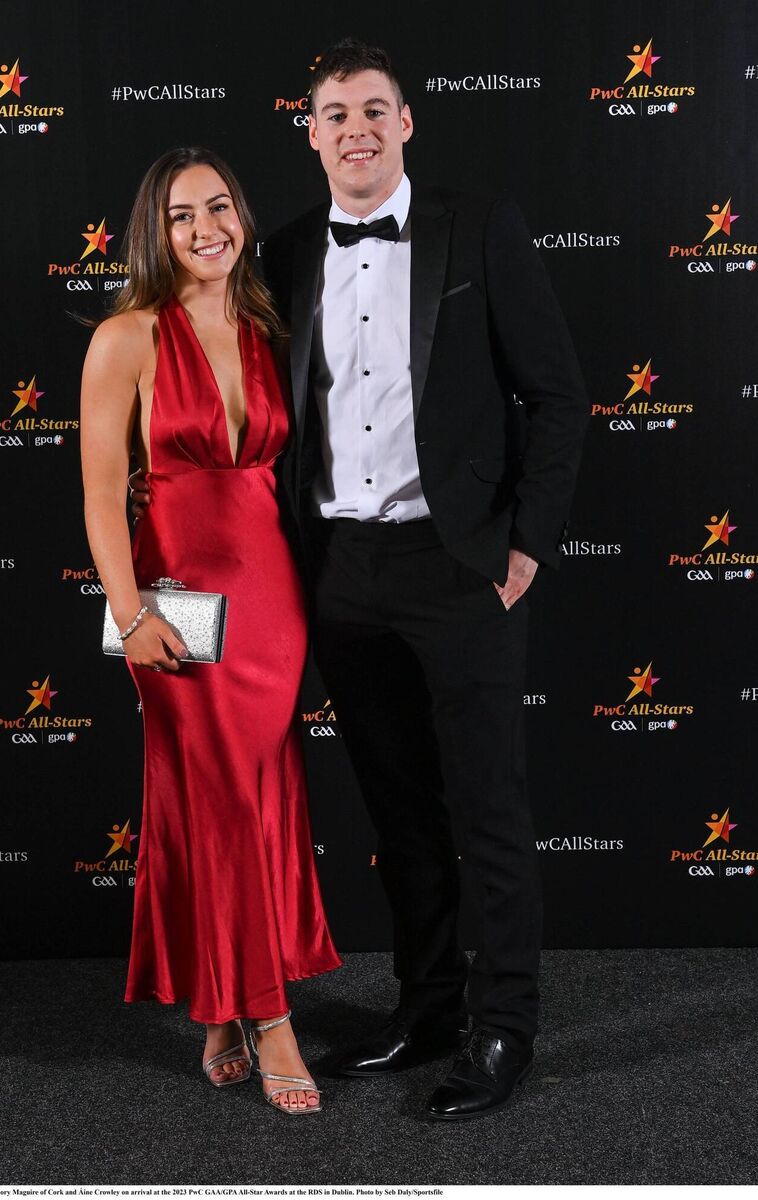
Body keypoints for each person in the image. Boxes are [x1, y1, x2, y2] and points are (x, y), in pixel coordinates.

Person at [133, 39, 588, 1120]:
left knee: (486, 808)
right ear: (310, 133)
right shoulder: (281, 254)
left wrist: (522, 550)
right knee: (398, 811)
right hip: (335, 573)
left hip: (459, 564)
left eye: (373, 111)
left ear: (406, 122)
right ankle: (425, 1008)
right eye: (334, 115)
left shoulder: (479, 228)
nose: (355, 131)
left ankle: (501, 1029)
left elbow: (557, 397)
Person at [80, 147, 341, 1117]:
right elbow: (103, 497)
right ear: (157, 231)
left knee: (253, 800)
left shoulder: (265, 324)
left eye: (220, 209)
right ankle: (270, 1015)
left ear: (241, 217)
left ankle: (221, 1009)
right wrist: (127, 611)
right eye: (183, 216)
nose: (206, 230)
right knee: (223, 798)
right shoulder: (125, 339)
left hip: (271, 600)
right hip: (175, 606)